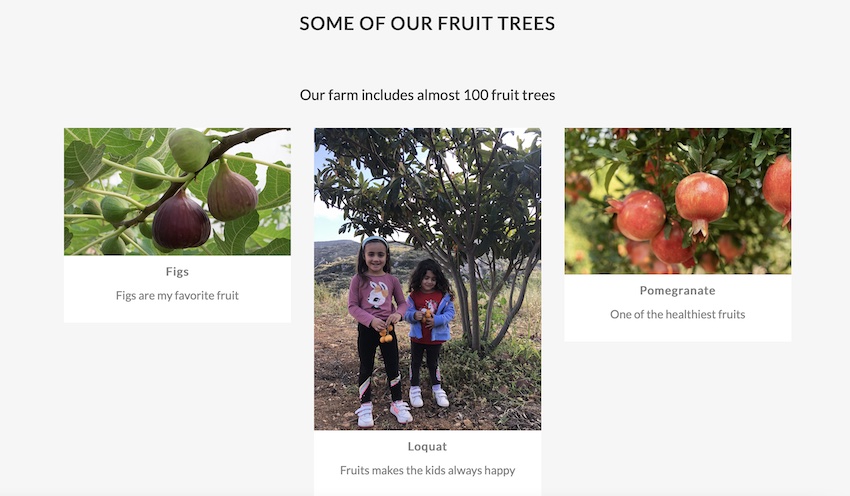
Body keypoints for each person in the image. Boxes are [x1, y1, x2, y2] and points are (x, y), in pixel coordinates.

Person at [348, 236, 412, 428]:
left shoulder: (392, 280)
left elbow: (403, 303)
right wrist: (371, 321)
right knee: (366, 365)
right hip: (367, 330)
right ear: (363, 256)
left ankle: (397, 403)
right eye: (371, 254)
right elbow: (352, 306)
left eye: (380, 255)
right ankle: (365, 405)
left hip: (388, 329)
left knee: (393, 365)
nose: (376, 259)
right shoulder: (358, 280)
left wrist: (398, 315)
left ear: (387, 256)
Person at [403, 258, 455, 409]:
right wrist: (414, 315)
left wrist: (437, 320)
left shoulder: (443, 296)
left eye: (433, 279)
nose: (429, 282)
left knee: (433, 363)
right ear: (420, 278)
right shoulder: (413, 296)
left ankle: (437, 388)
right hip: (418, 338)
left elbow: (450, 313)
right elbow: (406, 312)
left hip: (435, 339)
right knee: (415, 362)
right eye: (426, 278)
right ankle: (414, 388)